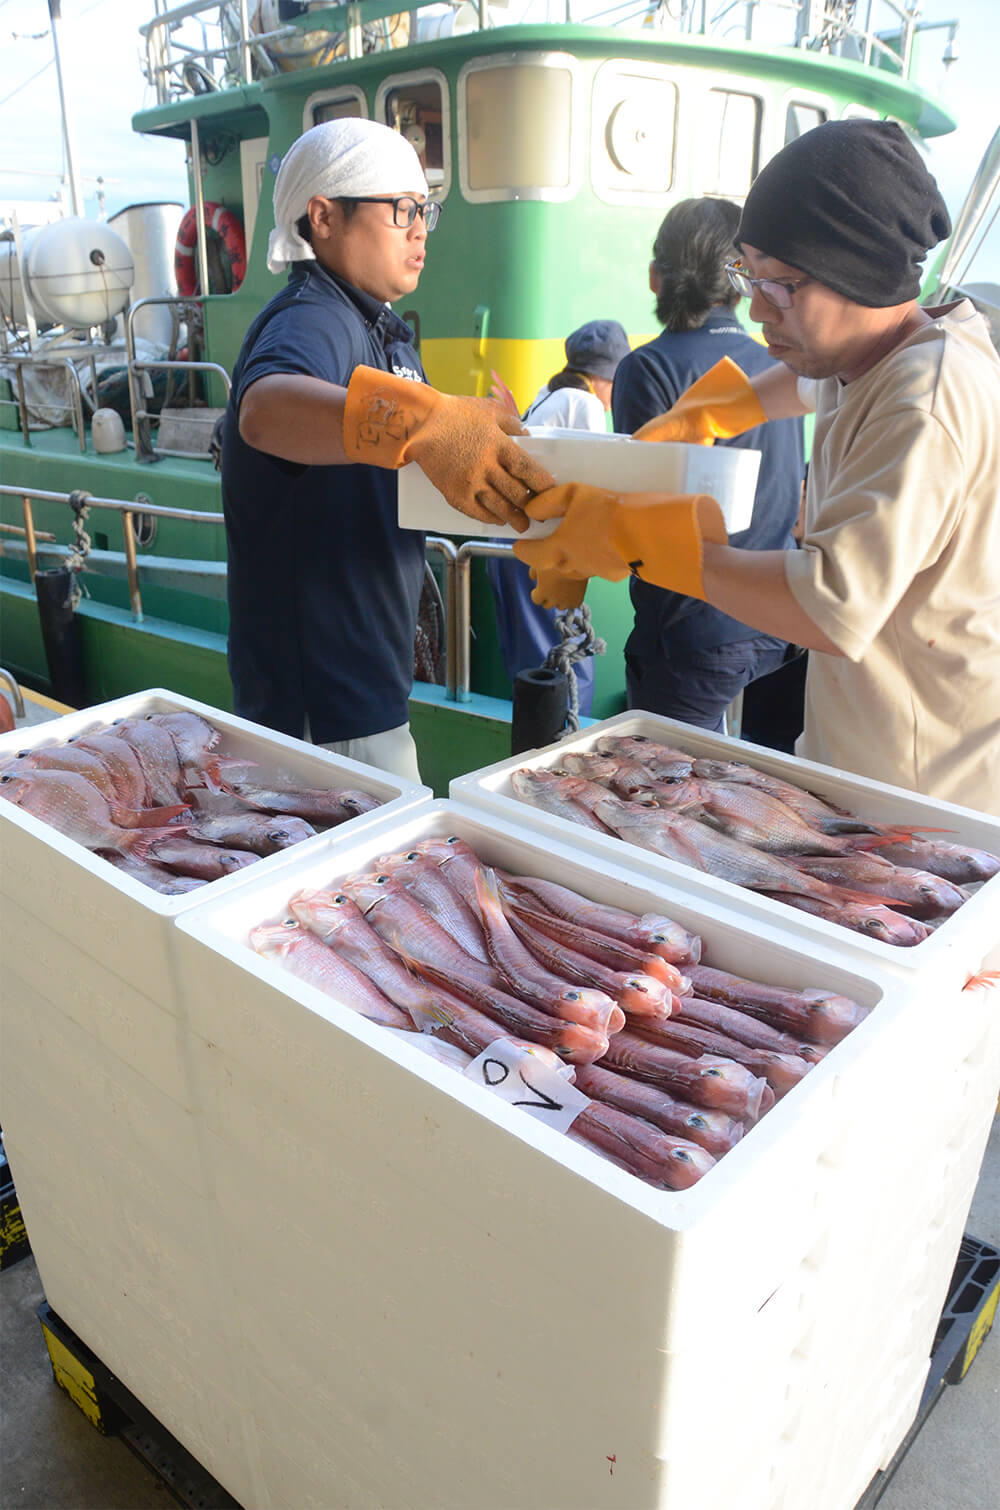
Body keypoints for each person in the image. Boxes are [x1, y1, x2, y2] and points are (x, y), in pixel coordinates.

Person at [514, 120, 1000, 816]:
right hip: (862, 770)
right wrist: (714, 411)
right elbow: (793, 384)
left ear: (859, 269)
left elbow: (831, 605)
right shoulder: (864, 352)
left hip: (927, 804)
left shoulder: (923, 400)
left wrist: (652, 544)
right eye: (750, 275)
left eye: (782, 286)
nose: (758, 306)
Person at [220, 118, 552, 780]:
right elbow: (264, 411)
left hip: (362, 686)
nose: (420, 228)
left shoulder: (383, 334)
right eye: (401, 209)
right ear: (323, 218)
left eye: (424, 210)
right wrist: (429, 420)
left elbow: (403, 458)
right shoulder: (316, 317)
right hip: (322, 706)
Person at [610, 198, 804, 732]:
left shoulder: (646, 367)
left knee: (659, 795)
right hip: (779, 623)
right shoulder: (782, 362)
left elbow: (644, 508)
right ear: (741, 281)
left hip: (691, 634)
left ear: (657, 276)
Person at [486, 320, 631, 717]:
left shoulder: (547, 395)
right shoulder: (583, 404)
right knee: (567, 660)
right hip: (542, 545)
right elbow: (591, 483)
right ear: (605, 376)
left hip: (505, 539)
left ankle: (532, 742)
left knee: (528, 659)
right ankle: (563, 748)